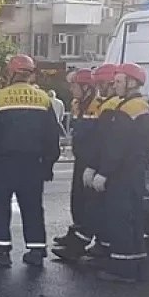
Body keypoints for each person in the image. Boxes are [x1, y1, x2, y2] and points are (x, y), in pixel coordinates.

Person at [0, 55, 62, 268]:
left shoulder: (0, 97)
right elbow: (52, 135)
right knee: (32, 208)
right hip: (33, 164)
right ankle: (37, 250)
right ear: (31, 74)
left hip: (5, 164)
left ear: (11, 73)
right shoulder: (43, 99)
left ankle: (3, 252)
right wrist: (48, 164)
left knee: (0, 207)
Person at [90, 63, 149, 283]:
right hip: (135, 172)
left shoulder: (128, 110)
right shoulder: (142, 107)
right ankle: (137, 263)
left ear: (131, 83)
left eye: (118, 81)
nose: (114, 85)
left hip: (123, 173)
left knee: (120, 219)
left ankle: (122, 267)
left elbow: (117, 146)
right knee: (134, 219)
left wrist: (103, 172)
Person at [52, 69, 102, 261]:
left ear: (87, 88)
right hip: (81, 159)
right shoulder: (76, 104)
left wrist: (94, 165)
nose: (71, 89)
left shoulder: (98, 105)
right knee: (77, 200)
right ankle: (75, 232)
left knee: (89, 203)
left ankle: (80, 242)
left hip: (91, 162)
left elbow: (99, 139)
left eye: (74, 86)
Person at [80, 63, 122, 261]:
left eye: (101, 84)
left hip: (111, 167)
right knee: (103, 208)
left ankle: (105, 247)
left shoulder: (112, 106)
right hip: (108, 165)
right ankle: (103, 244)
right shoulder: (112, 104)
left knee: (105, 208)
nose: (99, 88)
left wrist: (99, 169)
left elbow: (105, 142)